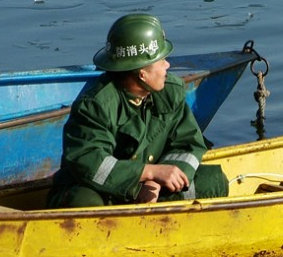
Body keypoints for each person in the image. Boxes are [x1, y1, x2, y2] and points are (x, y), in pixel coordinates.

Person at [46, 14, 228, 208]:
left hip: (150, 186)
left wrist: (156, 180)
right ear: (142, 74)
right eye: (161, 61)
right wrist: (147, 172)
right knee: (84, 201)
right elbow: (90, 164)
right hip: (98, 189)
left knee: (213, 183)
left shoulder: (169, 92)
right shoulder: (96, 105)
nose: (168, 65)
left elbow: (188, 144)